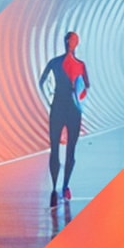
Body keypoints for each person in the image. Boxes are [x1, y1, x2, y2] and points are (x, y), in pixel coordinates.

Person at [39, 30, 89, 206]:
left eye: (74, 40)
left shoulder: (80, 65)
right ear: (66, 41)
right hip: (59, 107)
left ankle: (65, 185)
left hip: (72, 109)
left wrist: (79, 100)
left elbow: (86, 86)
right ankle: (55, 187)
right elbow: (42, 81)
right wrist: (48, 100)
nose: (71, 43)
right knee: (54, 148)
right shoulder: (55, 62)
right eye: (69, 40)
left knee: (71, 150)